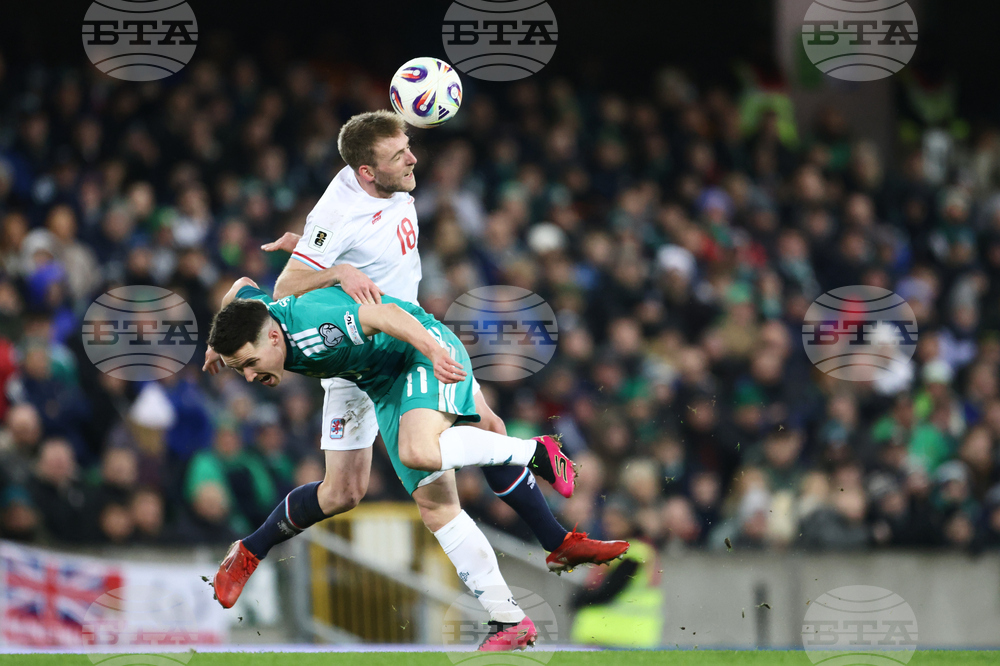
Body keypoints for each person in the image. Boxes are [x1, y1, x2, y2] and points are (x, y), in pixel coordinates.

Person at [204, 110, 628, 569]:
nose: (413, 159)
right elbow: (284, 290)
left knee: (478, 441)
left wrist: (229, 333)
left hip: (393, 340)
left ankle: (551, 549)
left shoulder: (379, 182)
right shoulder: (338, 212)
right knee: (344, 491)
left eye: (407, 145)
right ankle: (249, 551)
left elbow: (254, 290)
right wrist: (334, 269)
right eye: (399, 154)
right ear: (367, 171)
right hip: (358, 348)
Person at [208, 276, 581, 650]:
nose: (249, 376)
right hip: (377, 379)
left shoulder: (316, 331)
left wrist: (434, 352)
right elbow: (239, 287)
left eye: (251, 364)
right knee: (399, 500)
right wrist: (215, 347)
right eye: (239, 368)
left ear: (273, 338)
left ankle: (535, 453)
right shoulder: (258, 317)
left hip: (416, 349)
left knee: (423, 451)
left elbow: (387, 314)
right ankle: (509, 618)